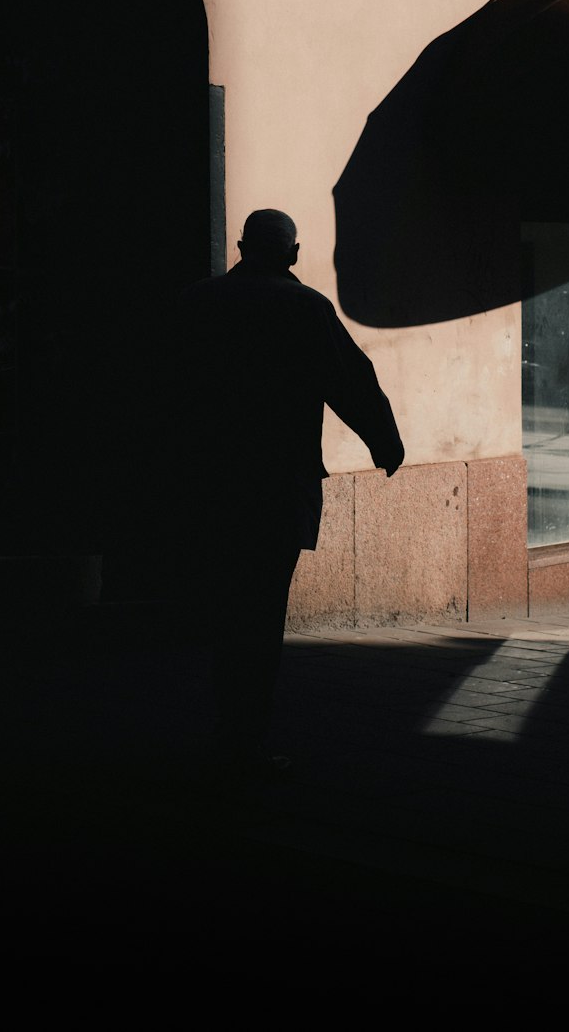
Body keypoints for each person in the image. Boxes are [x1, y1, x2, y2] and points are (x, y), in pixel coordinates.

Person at [175, 209, 404, 781]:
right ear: (293, 254)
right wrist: (385, 442)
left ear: (241, 246)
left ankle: (227, 730)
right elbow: (351, 379)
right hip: (277, 487)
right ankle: (244, 740)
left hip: (211, 485)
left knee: (227, 611)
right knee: (261, 616)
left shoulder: (200, 302)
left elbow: (164, 389)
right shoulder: (305, 309)